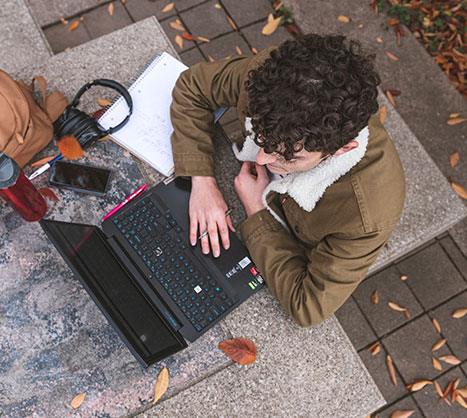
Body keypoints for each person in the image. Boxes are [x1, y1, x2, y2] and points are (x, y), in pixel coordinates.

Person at [169, 34, 406, 327]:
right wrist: (202, 181)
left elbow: (307, 307)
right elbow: (192, 86)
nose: (261, 160)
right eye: (260, 138)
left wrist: (256, 210)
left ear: (342, 149)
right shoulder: (273, 81)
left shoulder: (368, 214)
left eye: (288, 157)